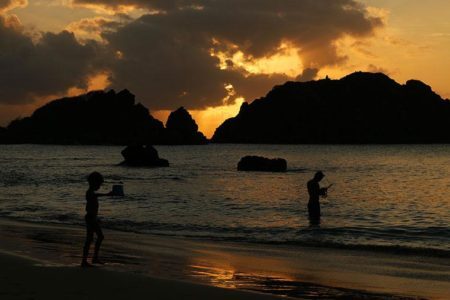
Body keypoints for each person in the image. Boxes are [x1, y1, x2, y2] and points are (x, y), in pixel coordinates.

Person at [81, 172, 112, 267]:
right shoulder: (89, 192)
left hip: (92, 218)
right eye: (98, 184)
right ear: (93, 183)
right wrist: (107, 195)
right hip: (90, 218)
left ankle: (90, 259)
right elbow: (94, 196)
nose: (99, 186)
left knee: (91, 239)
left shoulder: (91, 192)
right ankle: (90, 259)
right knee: (97, 237)